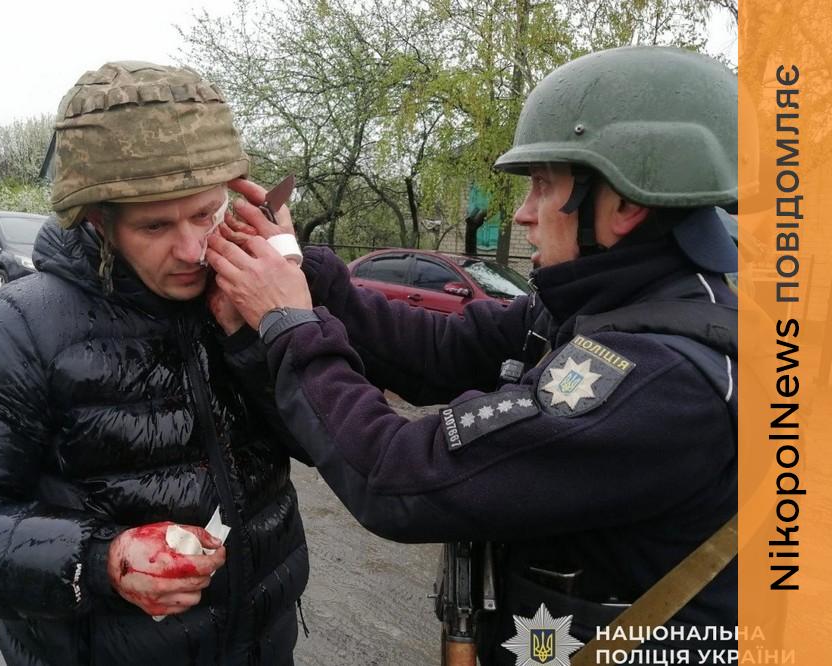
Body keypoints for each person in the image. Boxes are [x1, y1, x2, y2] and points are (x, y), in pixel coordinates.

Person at [205, 46, 737, 663]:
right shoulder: (598, 308)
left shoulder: (661, 378)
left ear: (625, 205)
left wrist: (288, 323)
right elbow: (438, 349)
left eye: (543, 186)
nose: (523, 214)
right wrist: (297, 265)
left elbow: (399, 476)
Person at [0, 62, 308, 666]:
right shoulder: (23, 327)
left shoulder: (247, 297)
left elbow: (322, 442)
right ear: (99, 222)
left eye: (206, 214)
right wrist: (98, 561)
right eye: (155, 225)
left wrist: (272, 326)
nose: (192, 250)